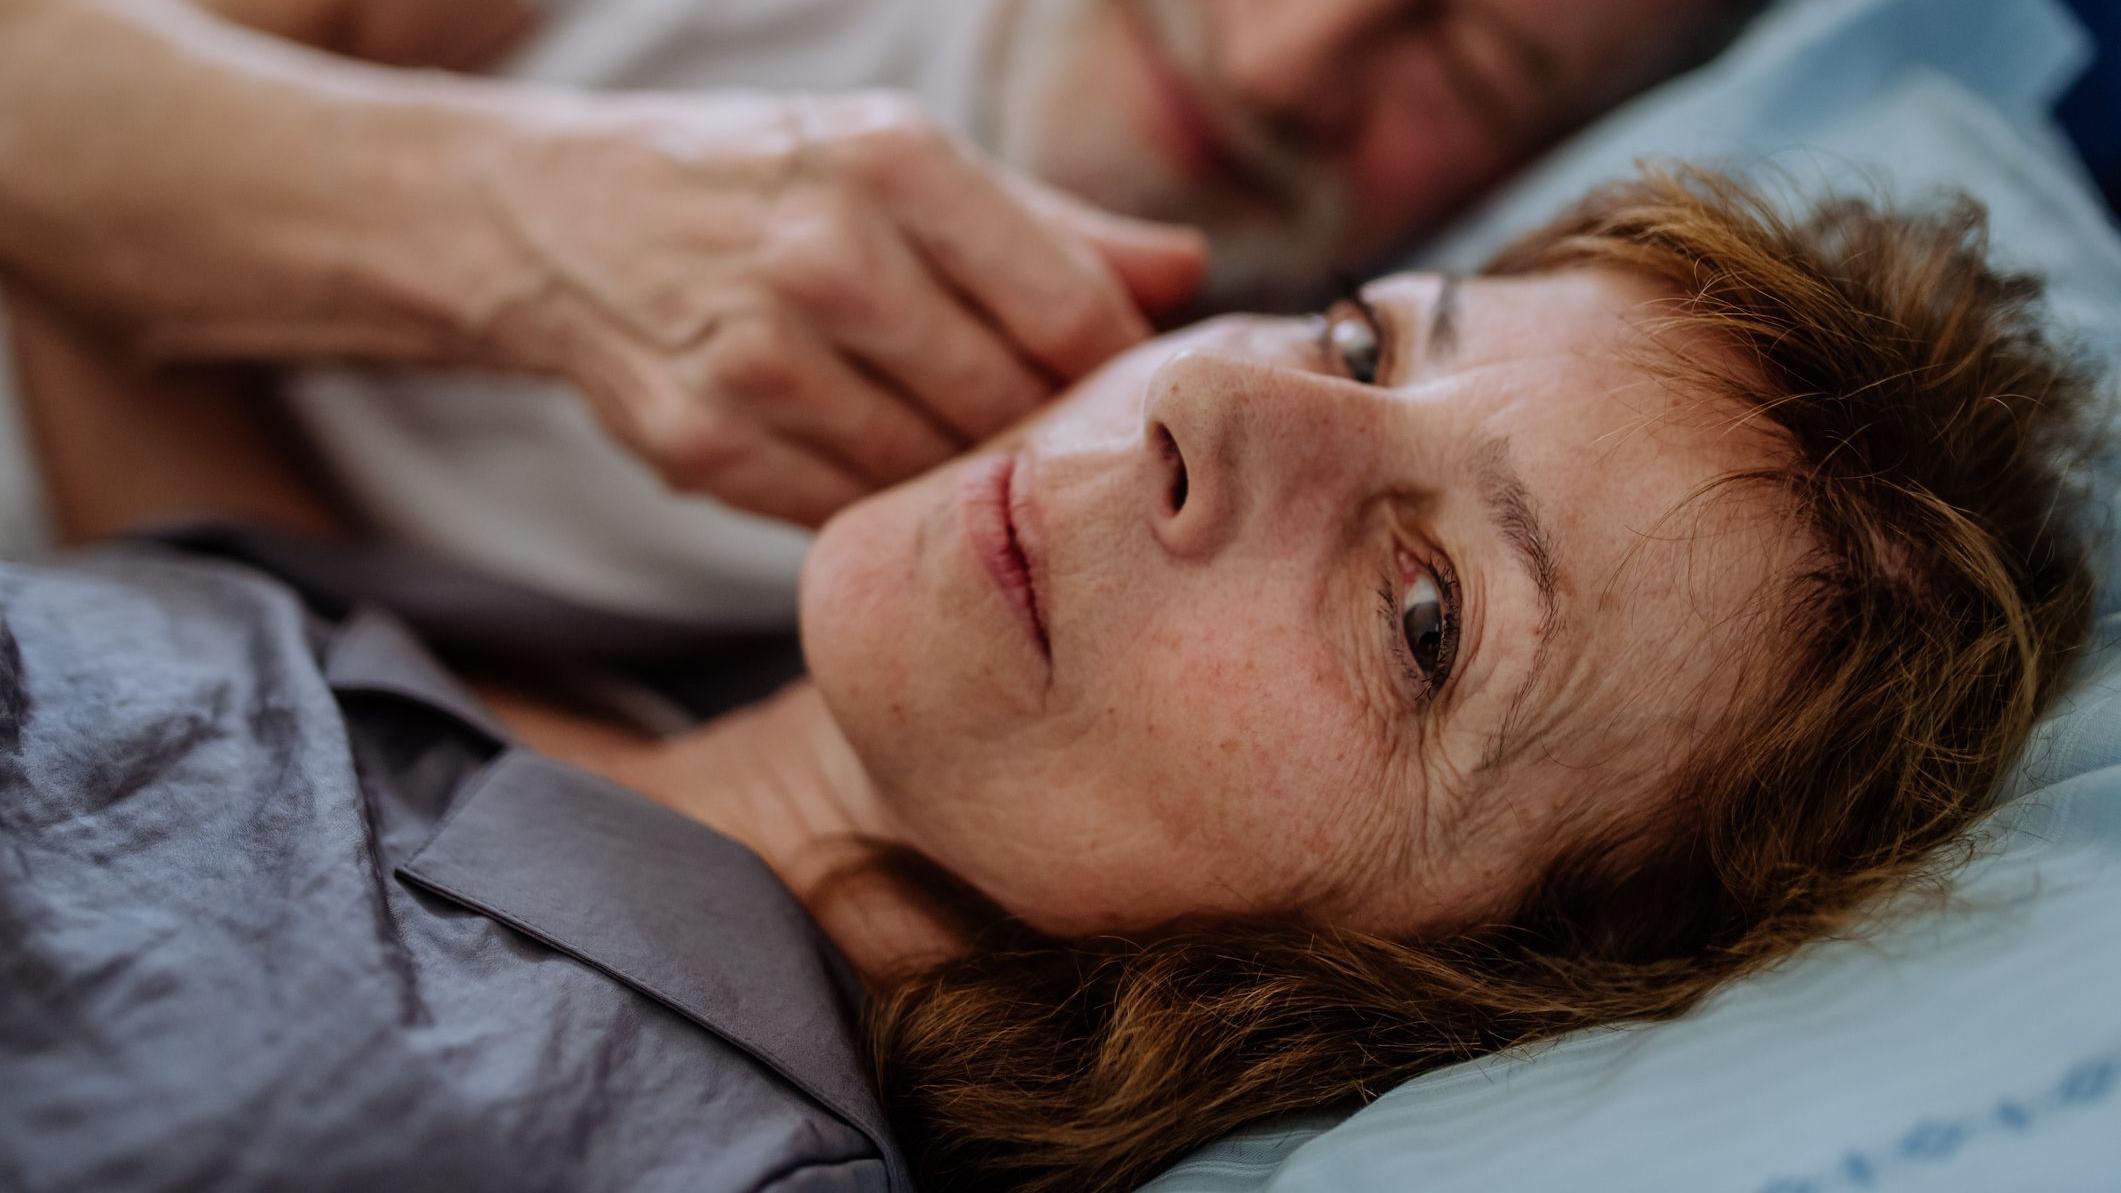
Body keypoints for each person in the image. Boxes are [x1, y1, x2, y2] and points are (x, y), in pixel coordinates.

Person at [1, 165, 2098, 1193]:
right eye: (1367, 343)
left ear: (1410, 991)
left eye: (1428, 618)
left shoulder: (622, 1141)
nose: (1226, 410)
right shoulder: (580, 718)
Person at [0, 0, 1761, 627]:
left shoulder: (1154, 486)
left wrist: (104, 224)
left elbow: (356, 726)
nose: (1282, 51)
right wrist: (525, 224)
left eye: (1462, 59)